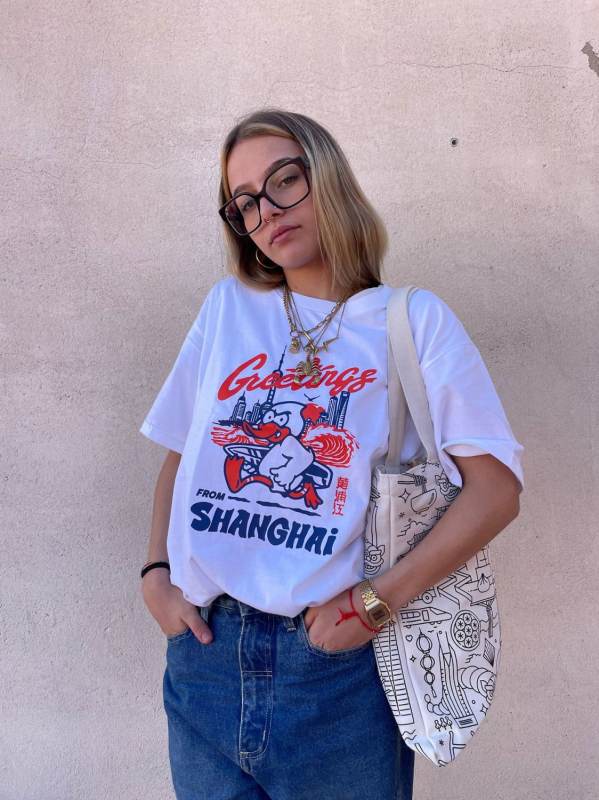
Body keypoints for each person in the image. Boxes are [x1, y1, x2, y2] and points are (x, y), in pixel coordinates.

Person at [139, 108, 524, 800]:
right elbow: (181, 453)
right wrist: (155, 575)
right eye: (244, 203)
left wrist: (374, 604)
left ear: (328, 177)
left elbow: (495, 491)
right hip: (204, 660)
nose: (267, 211)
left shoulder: (412, 321)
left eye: (284, 180)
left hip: (334, 671)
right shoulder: (227, 309)